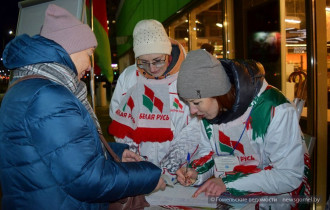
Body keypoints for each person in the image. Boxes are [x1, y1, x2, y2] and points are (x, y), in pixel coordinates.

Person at [0, 4, 165, 210]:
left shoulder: (28, 85)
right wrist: (147, 175)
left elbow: (59, 151)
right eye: (88, 54)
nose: (90, 65)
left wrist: (115, 153)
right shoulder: (48, 96)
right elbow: (87, 179)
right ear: (71, 49)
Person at [176, 49, 310, 209]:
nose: (192, 111)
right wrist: (196, 172)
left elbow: (288, 175)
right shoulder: (210, 113)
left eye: (196, 102)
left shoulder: (275, 109)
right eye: (188, 103)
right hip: (231, 199)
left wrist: (228, 183)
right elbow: (210, 153)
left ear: (218, 93)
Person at [108, 19, 201, 179]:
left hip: (180, 169)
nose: (152, 68)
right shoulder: (129, 77)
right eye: (144, 62)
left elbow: (196, 125)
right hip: (139, 170)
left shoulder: (188, 77)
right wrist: (135, 160)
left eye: (158, 61)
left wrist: (173, 163)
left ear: (168, 53)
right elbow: (119, 118)